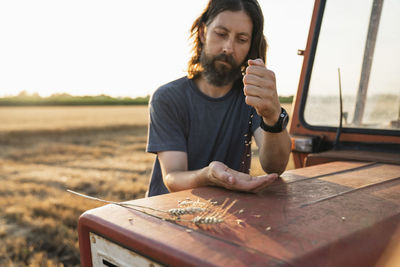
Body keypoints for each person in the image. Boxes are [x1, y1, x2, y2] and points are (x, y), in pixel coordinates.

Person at [146, 0, 291, 197]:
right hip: (166, 216)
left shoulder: (249, 99)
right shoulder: (168, 97)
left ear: (250, 46)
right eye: (221, 34)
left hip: (227, 215)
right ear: (203, 33)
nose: (228, 48)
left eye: (241, 39)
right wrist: (208, 175)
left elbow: (275, 166)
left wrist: (273, 116)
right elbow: (173, 176)